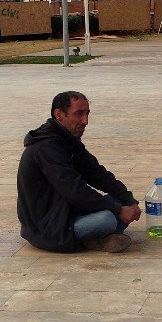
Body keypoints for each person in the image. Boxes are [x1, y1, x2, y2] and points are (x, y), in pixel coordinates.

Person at [17, 91, 142, 253]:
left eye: (87, 113)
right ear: (59, 114)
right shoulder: (46, 147)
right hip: (47, 227)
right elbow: (74, 190)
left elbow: (97, 173)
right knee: (108, 220)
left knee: (122, 207)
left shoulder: (69, 141)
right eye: (78, 114)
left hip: (67, 211)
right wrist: (118, 210)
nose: (85, 121)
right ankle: (88, 238)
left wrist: (127, 199)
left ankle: (92, 240)